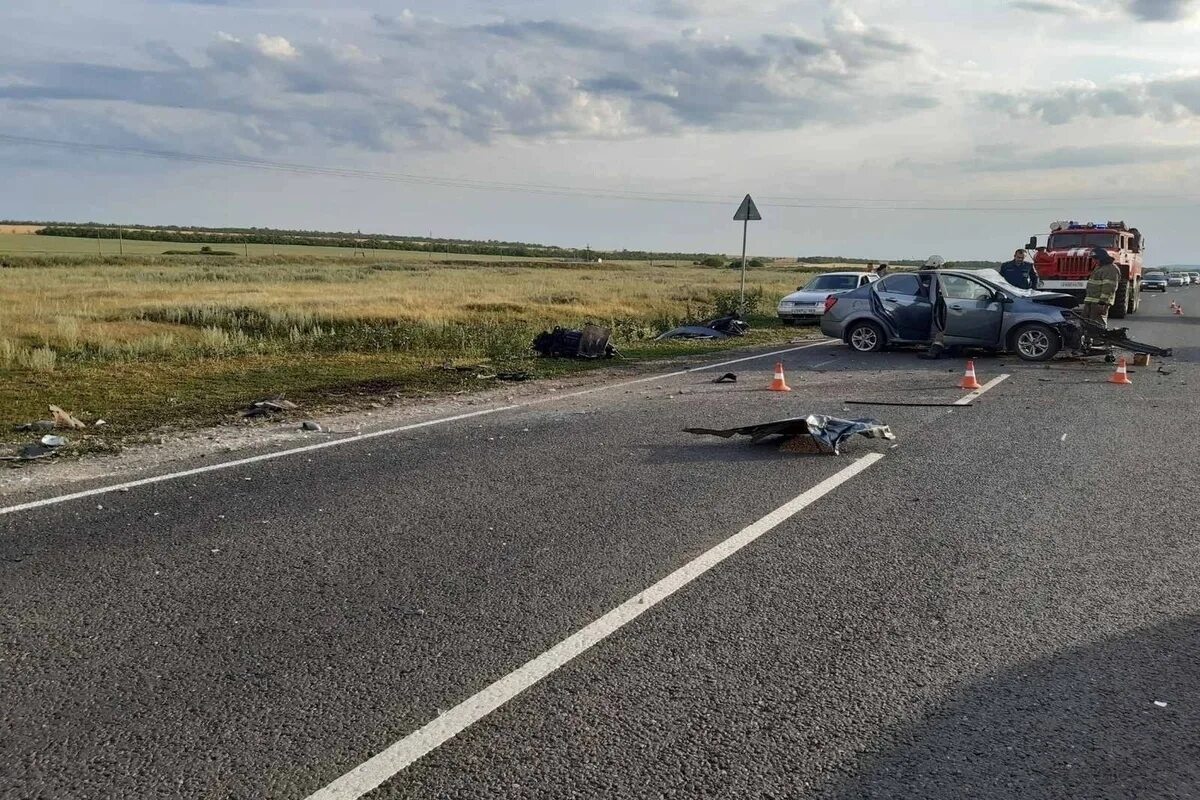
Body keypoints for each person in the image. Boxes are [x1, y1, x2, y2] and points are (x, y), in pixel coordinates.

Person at [1082, 246, 1121, 328]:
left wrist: (1102, 302)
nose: (1094, 260)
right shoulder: (1099, 267)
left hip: (1099, 303)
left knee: (1098, 325)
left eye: (1096, 258)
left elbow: (1109, 287)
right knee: (1087, 324)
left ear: (1102, 258)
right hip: (1091, 302)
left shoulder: (1110, 269)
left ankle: (1100, 340)